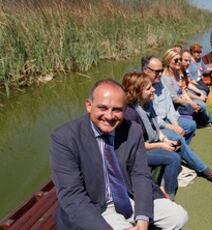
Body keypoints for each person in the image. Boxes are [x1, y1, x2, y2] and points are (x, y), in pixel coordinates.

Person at [50, 79, 188, 229]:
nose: (109, 116)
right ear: (89, 105)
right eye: (102, 108)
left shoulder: (132, 130)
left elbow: (140, 174)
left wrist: (142, 218)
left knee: (178, 217)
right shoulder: (64, 138)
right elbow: (72, 196)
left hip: (129, 196)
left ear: (124, 109)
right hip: (97, 206)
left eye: (116, 109)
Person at [122, 72, 182, 200]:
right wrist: (161, 145)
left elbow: (156, 128)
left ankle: (163, 185)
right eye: (149, 88)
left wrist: (165, 140)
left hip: (149, 143)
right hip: (136, 153)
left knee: (176, 144)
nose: (154, 89)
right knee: (174, 158)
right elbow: (135, 145)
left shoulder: (147, 105)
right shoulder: (130, 114)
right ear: (137, 92)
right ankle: (168, 197)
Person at [141, 55, 197, 144]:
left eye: (161, 71)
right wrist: (172, 127)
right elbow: (153, 118)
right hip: (157, 125)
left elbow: (170, 105)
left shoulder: (161, 80)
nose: (160, 74)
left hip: (168, 118)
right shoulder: (142, 88)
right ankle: (181, 151)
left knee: (192, 125)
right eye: (157, 71)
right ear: (145, 70)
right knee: (177, 136)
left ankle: (182, 150)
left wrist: (175, 124)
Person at [161, 49, 212, 128]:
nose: (179, 61)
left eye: (179, 59)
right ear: (168, 61)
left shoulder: (177, 73)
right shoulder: (166, 77)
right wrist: (190, 103)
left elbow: (183, 91)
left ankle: (207, 120)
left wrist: (191, 101)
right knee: (200, 105)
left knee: (200, 102)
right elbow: (174, 99)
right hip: (174, 106)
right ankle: (207, 121)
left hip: (182, 100)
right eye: (176, 60)